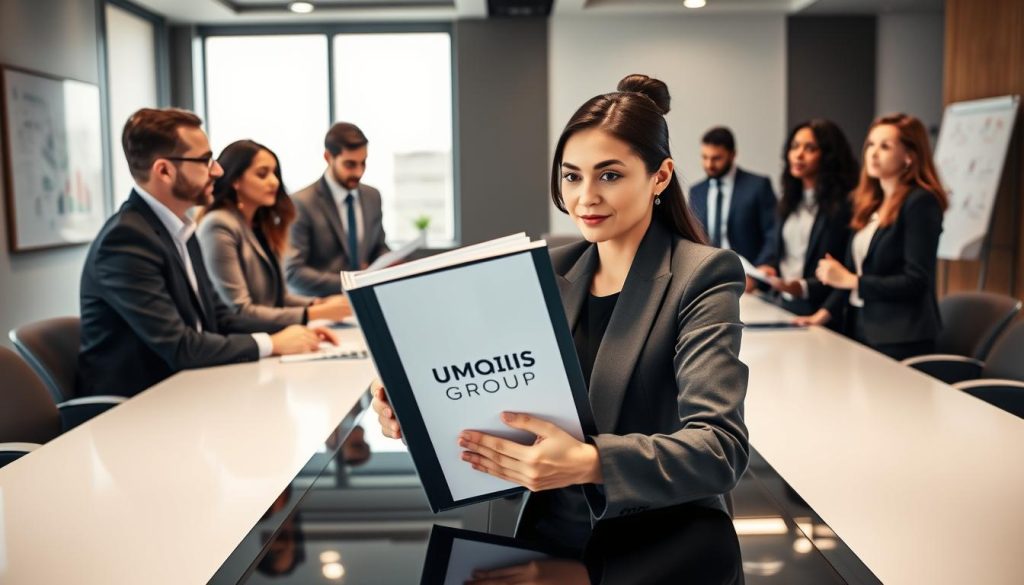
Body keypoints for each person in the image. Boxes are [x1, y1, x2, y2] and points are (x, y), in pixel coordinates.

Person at [372, 75, 749, 554]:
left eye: (609, 175)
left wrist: (592, 462)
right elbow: (494, 402)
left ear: (661, 175)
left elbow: (721, 448)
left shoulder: (703, 273)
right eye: (572, 176)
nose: (585, 197)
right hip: (544, 532)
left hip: (659, 539)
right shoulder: (548, 268)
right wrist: (414, 410)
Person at [78, 108, 337, 398]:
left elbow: (222, 317)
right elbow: (180, 346)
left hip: (188, 390)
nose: (218, 170)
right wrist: (272, 344)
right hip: (137, 409)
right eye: (204, 160)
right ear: (164, 170)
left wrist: (296, 328)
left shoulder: (181, 230)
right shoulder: (125, 241)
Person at [796, 113, 947, 360]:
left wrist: (852, 281)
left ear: (909, 156)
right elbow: (851, 272)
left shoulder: (921, 202)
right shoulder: (869, 203)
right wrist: (821, 316)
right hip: (860, 327)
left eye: (885, 146)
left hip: (901, 338)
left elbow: (916, 280)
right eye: (871, 145)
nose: (873, 153)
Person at [196, 139, 352, 327]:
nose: (274, 182)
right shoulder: (218, 225)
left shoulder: (260, 225)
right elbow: (239, 310)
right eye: (262, 174)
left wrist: (318, 303)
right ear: (236, 180)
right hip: (246, 345)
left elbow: (277, 298)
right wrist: (314, 312)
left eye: (275, 174)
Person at [285, 122, 390, 297]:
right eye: (350, 164)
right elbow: (294, 272)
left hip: (368, 299)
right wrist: (354, 281)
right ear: (328, 157)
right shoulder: (301, 203)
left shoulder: (373, 196)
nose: (358, 172)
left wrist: (389, 262)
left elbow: (378, 246)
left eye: (363, 163)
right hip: (323, 305)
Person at [767, 119, 858, 316]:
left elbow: (844, 266)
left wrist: (802, 286)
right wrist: (769, 270)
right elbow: (788, 253)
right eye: (794, 147)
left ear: (828, 156)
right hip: (784, 303)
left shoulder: (845, 204)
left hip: (822, 310)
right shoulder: (789, 200)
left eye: (810, 148)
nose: (798, 155)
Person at [688, 126, 778, 289]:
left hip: (751, 281)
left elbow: (773, 232)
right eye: (704, 157)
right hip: (708, 281)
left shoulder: (758, 186)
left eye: (716, 158)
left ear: (733, 155)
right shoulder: (696, 191)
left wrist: (757, 274)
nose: (709, 164)